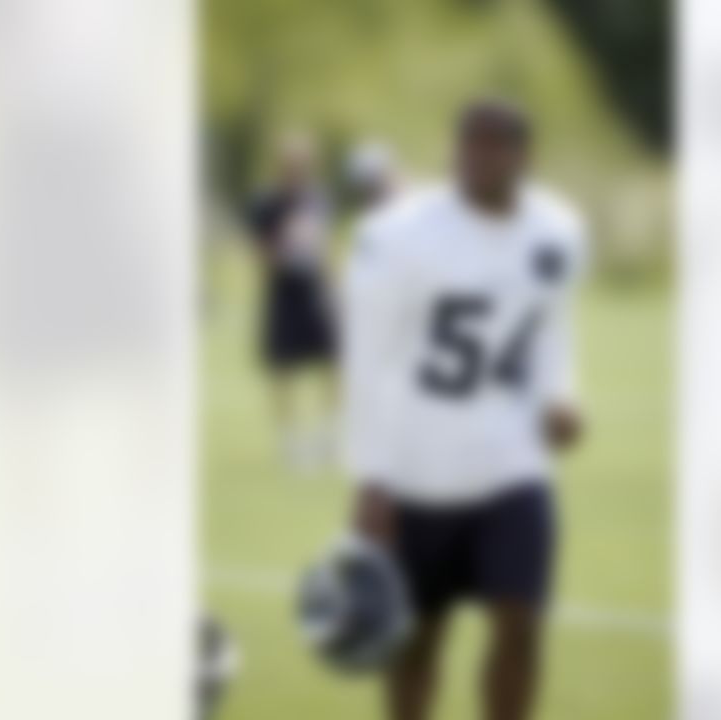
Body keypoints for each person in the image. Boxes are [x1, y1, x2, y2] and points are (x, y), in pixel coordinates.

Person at [341, 99, 587, 720]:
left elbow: (552, 326)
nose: (475, 157)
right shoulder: (398, 232)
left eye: (493, 144)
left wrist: (560, 396)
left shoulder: (558, 229)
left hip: (511, 468)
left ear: (523, 155)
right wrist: (371, 477)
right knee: (416, 644)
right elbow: (366, 359)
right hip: (417, 474)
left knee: (522, 627)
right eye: (466, 144)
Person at [247, 135, 338, 470]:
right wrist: (284, 254)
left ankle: (328, 435)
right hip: (283, 293)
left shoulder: (317, 199)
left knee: (333, 361)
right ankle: (291, 442)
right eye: (293, 163)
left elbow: (324, 243)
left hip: (314, 291)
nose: (298, 169)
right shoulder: (267, 203)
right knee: (282, 368)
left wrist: (331, 280)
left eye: (304, 163)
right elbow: (259, 250)